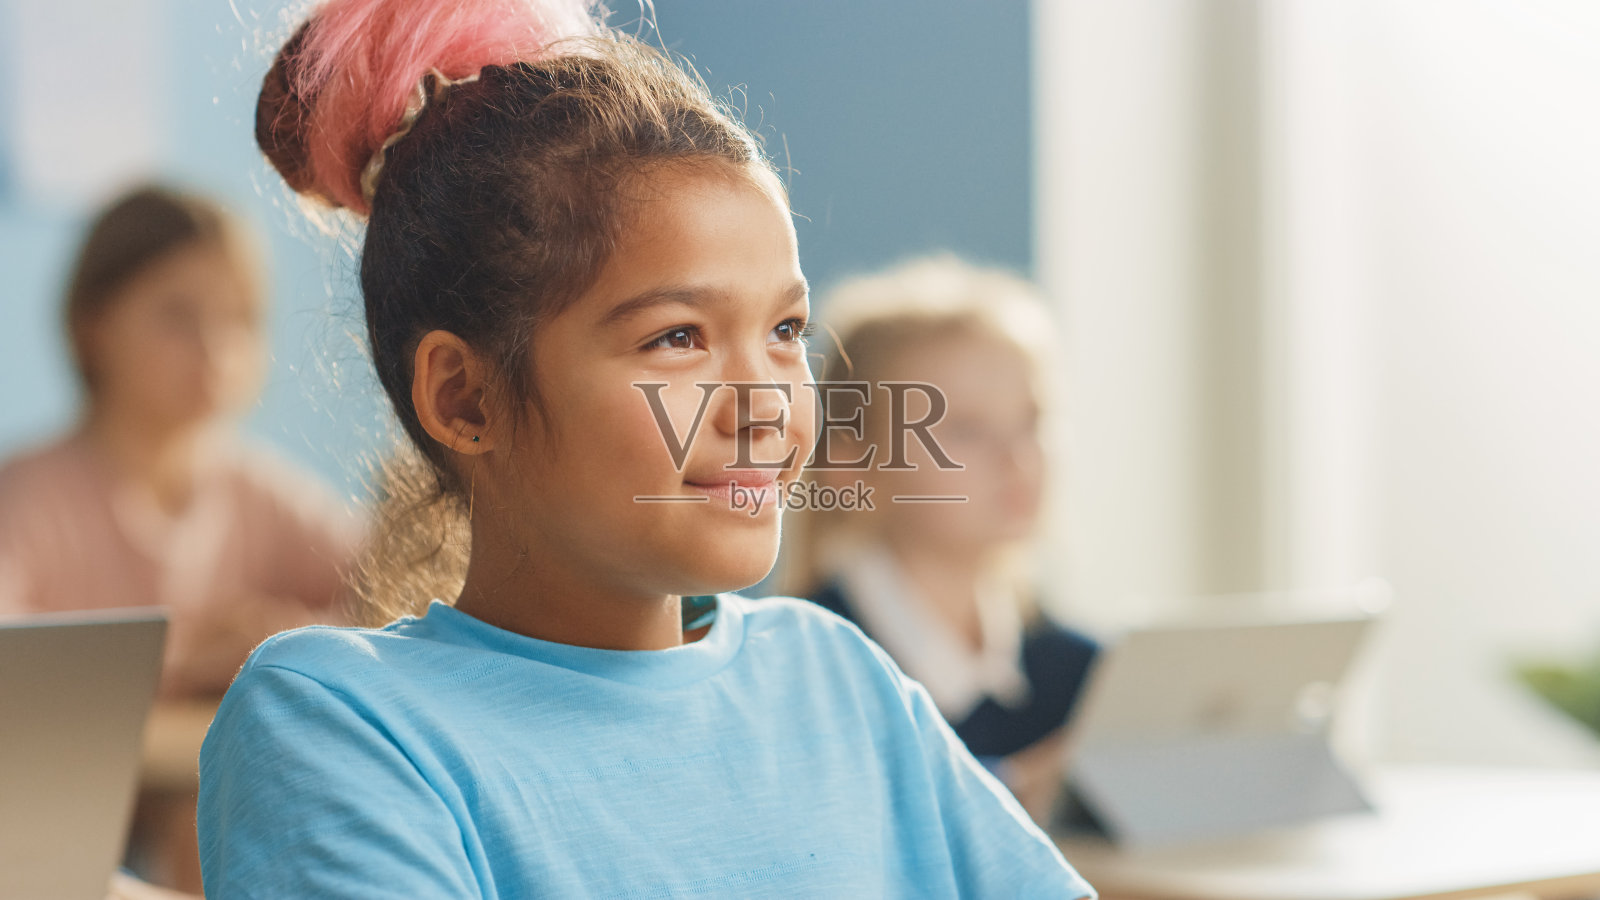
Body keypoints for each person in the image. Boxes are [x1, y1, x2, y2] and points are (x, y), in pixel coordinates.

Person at [197, 1, 1095, 897]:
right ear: (465, 397)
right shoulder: (339, 722)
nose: (765, 408)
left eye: (786, 329)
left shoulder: (837, 678)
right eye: (677, 338)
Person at [0, 184, 363, 893]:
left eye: (239, 320)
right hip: (53, 827)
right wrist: (192, 660)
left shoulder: (259, 490)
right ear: (94, 325)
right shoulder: (29, 497)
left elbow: (393, 596)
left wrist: (277, 640)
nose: (216, 349)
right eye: (179, 317)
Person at [787, 256, 1099, 824]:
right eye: (968, 429)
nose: (1018, 460)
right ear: (852, 464)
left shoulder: (1083, 675)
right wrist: (1014, 789)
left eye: (1032, 421)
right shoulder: (799, 670)